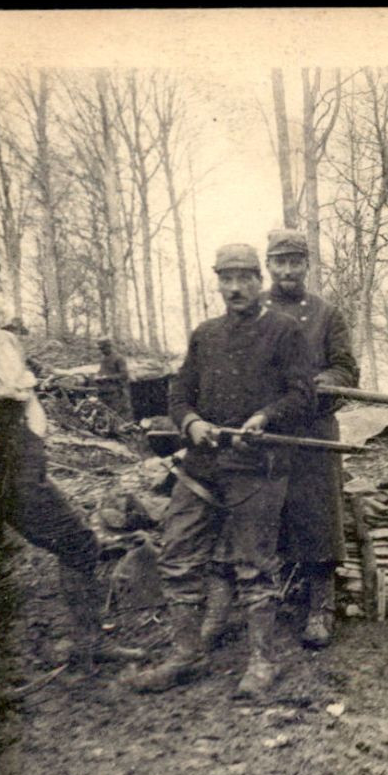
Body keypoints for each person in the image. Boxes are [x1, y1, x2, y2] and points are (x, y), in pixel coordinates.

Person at [129, 244, 314, 699]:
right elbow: (178, 398)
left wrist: (266, 418)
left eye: (243, 279)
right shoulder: (205, 335)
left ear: (258, 281)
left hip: (257, 465)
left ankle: (262, 660)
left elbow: (303, 396)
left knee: (254, 565)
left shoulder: (285, 331)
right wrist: (191, 424)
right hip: (203, 467)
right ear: (218, 283)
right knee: (176, 555)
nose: (234, 288)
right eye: (225, 279)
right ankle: (185, 653)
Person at [0, 256, 141, 685]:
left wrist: (33, 442)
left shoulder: (5, 341)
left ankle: (88, 648)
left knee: (78, 543)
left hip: (17, 459)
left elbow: (25, 396)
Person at [260, 228, 360, 649]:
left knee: (318, 515)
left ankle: (321, 606)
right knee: (267, 514)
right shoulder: (255, 312)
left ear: (307, 265)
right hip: (266, 431)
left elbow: (346, 370)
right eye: (279, 262)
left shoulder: (325, 313)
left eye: (294, 261)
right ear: (268, 266)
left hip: (315, 430)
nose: (287, 270)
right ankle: (278, 596)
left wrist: (321, 383)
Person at [94, 338, 133, 419]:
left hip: (116, 392)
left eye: (103, 348)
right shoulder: (103, 358)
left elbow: (124, 375)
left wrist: (107, 378)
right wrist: (97, 376)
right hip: (104, 391)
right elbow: (102, 371)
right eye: (100, 349)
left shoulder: (119, 358)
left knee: (116, 416)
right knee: (104, 415)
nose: (101, 351)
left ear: (109, 347)